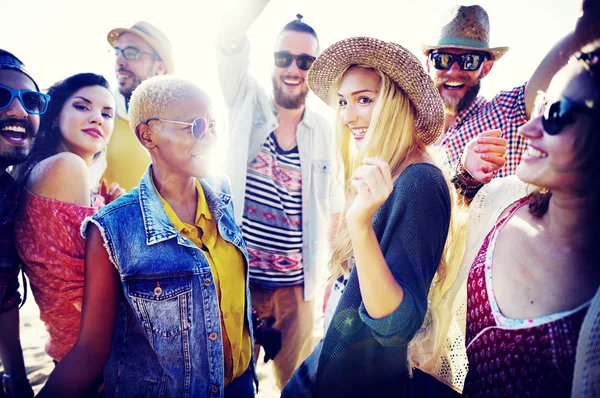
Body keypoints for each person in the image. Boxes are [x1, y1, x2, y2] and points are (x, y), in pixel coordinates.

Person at [37, 75, 255, 398]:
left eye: (212, 126)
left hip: (239, 386)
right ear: (147, 135)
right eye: (195, 127)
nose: (209, 138)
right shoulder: (112, 229)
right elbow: (90, 350)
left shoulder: (221, 193)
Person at [282, 36, 454, 397]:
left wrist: (360, 226)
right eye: (343, 102)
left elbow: (396, 325)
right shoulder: (387, 171)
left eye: (364, 99)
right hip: (333, 361)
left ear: (395, 103)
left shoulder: (419, 181)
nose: (347, 116)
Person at [441, 41, 600, 397]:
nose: (529, 128)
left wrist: (584, 25)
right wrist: (464, 177)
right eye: (540, 107)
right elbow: (440, 251)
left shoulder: (500, 109)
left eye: (555, 114)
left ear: (487, 65)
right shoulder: (499, 200)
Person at [216, 0, 343, 389]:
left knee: (297, 388)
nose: (293, 68)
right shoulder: (244, 100)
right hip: (239, 281)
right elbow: (227, 38)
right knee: (232, 385)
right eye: (283, 57)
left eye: (305, 61)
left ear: (316, 69)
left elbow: (335, 208)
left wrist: (330, 282)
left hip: (298, 291)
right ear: (270, 60)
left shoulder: (325, 129)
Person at [11, 73, 120, 397]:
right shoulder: (67, 166)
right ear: (55, 115)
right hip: (90, 361)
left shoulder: (56, 170)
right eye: (82, 106)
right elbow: (98, 278)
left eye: (107, 112)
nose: (96, 118)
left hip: (71, 350)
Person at [424, 4, 599, 182]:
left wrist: (585, 28)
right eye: (443, 59)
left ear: (486, 68)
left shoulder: (505, 112)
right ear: (429, 64)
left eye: (469, 60)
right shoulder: (411, 130)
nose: (454, 71)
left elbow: (537, 87)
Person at [0, 48, 46, 398]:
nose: (19, 110)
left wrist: (17, 379)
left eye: (32, 100)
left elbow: (4, 294)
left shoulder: (10, 195)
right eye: (1, 97)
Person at [98, 21, 173, 191]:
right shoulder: (99, 115)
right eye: (117, 53)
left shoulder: (181, 124)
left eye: (132, 53)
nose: (119, 61)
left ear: (160, 68)